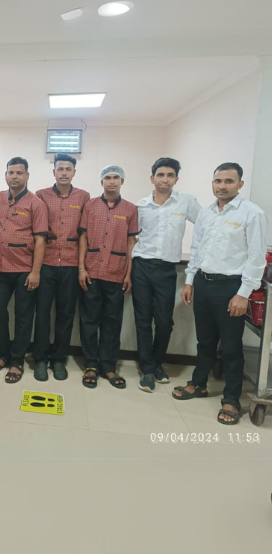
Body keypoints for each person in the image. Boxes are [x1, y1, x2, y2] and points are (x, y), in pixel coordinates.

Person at [172, 163, 267, 425]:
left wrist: (243, 294)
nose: (222, 186)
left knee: (231, 346)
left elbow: (256, 258)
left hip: (231, 287)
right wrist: (189, 281)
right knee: (205, 341)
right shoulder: (206, 213)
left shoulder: (252, 214)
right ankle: (198, 383)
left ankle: (231, 399)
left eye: (228, 181)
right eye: (218, 181)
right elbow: (197, 248)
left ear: (240, 184)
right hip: (203, 283)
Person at [133, 158, 201, 392]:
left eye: (170, 175)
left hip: (166, 270)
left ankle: (155, 363)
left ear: (176, 179)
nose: (165, 179)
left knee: (164, 322)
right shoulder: (141, 205)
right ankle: (148, 369)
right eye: (160, 175)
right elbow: (132, 235)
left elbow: (206, 225)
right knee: (143, 321)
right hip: (141, 266)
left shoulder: (186, 202)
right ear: (152, 178)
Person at [0, 157, 49, 383]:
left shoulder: (36, 204)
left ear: (27, 176)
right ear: (5, 175)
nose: (14, 176)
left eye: (19, 173)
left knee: (23, 317)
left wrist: (36, 272)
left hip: (24, 270)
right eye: (11, 172)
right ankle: (3, 354)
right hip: (0, 268)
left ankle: (17, 360)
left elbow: (40, 240)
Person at [78, 165, 139, 390]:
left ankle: (109, 366)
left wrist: (129, 273)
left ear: (122, 181)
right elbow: (83, 237)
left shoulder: (131, 209)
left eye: (116, 177)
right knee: (89, 321)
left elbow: (131, 243)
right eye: (107, 178)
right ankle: (91, 365)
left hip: (116, 273)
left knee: (112, 322)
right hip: (91, 272)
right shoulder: (90, 205)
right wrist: (81, 268)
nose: (111, 181)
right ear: (101, 182)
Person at [34, 153, 90, 381]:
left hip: (70, 264)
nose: (64, 173)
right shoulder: (41, 195)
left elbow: (84, 234)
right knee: (42, 313)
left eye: (68, 169)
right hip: (45, 263)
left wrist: (82, 267)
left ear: (74, 172)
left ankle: (59, 359)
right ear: (54, 172)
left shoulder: (84, 197)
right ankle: (40, 359)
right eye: (60, 169)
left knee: (66, 314)